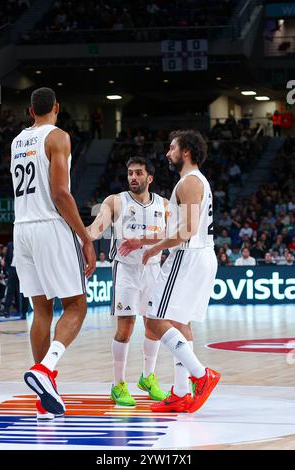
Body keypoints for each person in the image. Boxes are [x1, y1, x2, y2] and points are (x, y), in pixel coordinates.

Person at [11, 87, 96, 420]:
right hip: (50, 225)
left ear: (31, 111)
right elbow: (61, 194)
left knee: (40, 309)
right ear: (56, 108)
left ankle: (44, 397)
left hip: (22, 228)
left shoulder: (18, 141)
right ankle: (46, 370)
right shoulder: (58, 136)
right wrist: (85, 236)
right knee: (76, 304)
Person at [123, 130, 220, 414]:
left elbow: (186, 232)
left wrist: (154, 250)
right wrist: (146, 242)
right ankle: (180, 392)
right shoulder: (196, 181)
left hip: (187, 257)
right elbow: (180, 229)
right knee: (179, 322)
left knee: (154, 320)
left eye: (172, 147)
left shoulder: (189, 183)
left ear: (186, 151)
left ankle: (201, 376)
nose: (168, 153)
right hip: (200, 255)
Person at [87, 156, 168, 406]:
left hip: (153, 269)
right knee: (126, 328)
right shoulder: (115, 201)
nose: (133, 177)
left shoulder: (164, 204)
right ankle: (118, 384)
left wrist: (141, 239)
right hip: (126, 270)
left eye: (139, 173)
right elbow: (96, 228)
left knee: (155, 326)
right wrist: (79, 236)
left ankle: (148, 377)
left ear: (149, 178)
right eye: (130, 173)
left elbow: (174, 233)